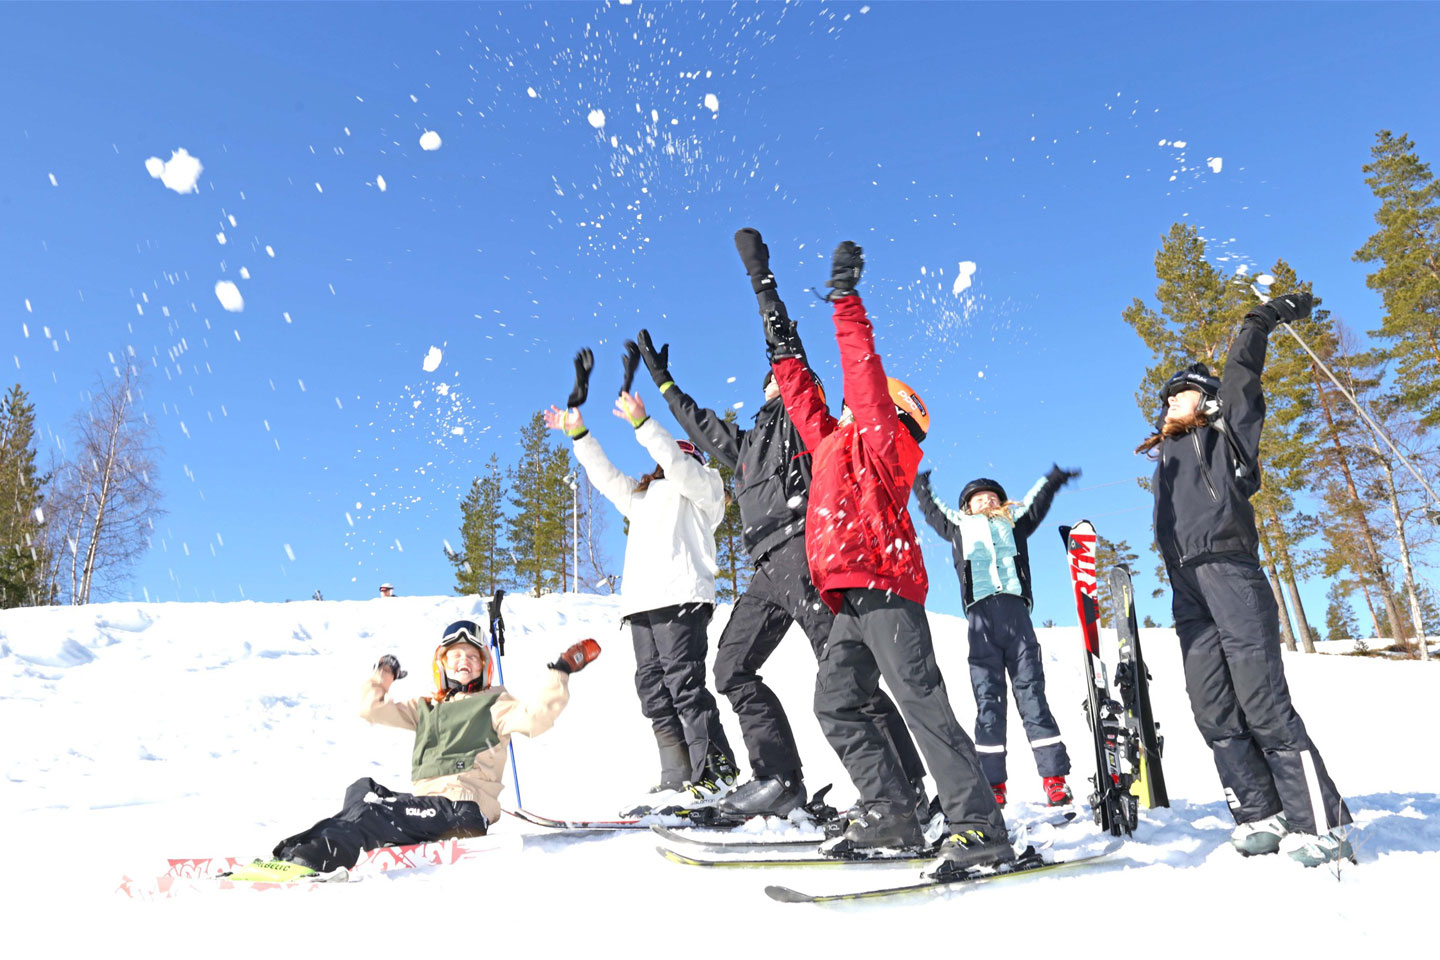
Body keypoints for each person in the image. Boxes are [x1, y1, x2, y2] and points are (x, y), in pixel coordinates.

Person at [633, 230, 927, 819]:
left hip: (808, 553)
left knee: (846, 678)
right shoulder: (747, 444)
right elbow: (700, 424)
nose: (771, 378)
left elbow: (784, 348)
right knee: (730, 668)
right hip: (766, 567)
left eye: (779, 373)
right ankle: (778, 778)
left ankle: (905, 790)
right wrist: (665, 383)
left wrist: (761, 278)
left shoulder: (803, 417)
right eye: (767, 377)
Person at [759, 237, 1010, 876]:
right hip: (850, 596)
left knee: (921, 702)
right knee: (836, 702)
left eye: (860, 405)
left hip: (886, 584)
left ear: (892, 415)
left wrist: (845, 303)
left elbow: (861, 374)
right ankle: (893, 814)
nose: (846, 407)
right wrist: (769, 301)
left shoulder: (885, 445)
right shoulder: (833, 443)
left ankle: (979, 827)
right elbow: (799, 394)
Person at [1138, 289, 1352, 867]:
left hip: (1230, 572)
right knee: (1213, 711)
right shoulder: (1167, 458)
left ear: (1207, 401)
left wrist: (1263, 317)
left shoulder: (1226, 433)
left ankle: (1322, 824)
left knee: (1264, 705)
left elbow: (1241, 373)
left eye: (1179, 393)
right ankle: (1262, 811)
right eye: (1165, 398)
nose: (1168, 402)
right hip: (1187, 589)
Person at [227, 621, 600, 881]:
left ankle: (315, 859)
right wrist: (384, 675)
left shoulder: (494, 703)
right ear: (442, 663)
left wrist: (560, 671)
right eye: (456, 655)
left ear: (484, 666)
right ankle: (297, 851)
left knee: (373, 811)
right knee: (362, 790)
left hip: (462, 810)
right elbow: (371, 709)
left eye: (472, 656)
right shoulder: (427, 708)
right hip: (430, 808)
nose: (464, 661)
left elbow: (537, 718)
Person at [545, 388, 739, 815]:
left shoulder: (705, 489)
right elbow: (605, 476)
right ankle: (677, 775)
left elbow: (680, 467)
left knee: (684, 684)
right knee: (652, 691)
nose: (672, 462)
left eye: (682, 456)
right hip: (641, 605)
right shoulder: (642, 497)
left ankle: (716, 772)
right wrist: (579, 436)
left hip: (682, 596)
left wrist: (645, 425)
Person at [913, 467, 1079, 809]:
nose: (987, 502)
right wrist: (921, 485)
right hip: (981, 623)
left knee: (1033, 696)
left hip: (1017, 619)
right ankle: (994, 784)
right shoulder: (958, 526)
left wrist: (1052, 479)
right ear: (967, 507)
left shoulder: (1014, 524)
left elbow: (1036, 503)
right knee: (988, 702)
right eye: (979, 500)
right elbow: (933, 511)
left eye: (992, 498)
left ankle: (1055, 780)